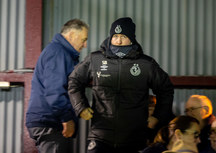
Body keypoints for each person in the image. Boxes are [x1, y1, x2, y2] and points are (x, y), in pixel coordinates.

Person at [68, 17, 174, 153]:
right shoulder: (95, 59)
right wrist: (81, 107)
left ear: (131, 38)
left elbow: (166, 89)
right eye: (115, 36)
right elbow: (74, 81)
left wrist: (157, 116)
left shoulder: (146, 64)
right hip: (100, 136)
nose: (118, 41)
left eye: (123, 36)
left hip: (134, 139)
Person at [26, 19, 89, 153]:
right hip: (50, 121)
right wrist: (66, 118)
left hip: (49, 121)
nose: (85, 45)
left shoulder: (61, 53)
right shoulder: (58, 53)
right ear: (71, 35)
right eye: (83, 39)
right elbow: (54, 91)